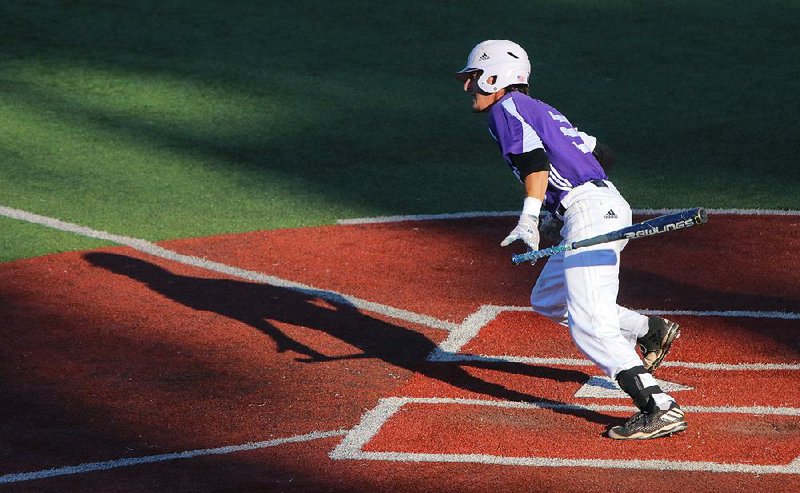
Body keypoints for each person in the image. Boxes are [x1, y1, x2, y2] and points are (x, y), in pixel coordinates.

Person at [456, 40, 687, 440]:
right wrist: (558, 205)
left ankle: (659, 406)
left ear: (494, 76)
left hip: (589, 213)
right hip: (597, 206)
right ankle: (647, 329)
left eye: (473, 78)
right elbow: (601, 153)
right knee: (549, 298)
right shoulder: (540, 109)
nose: (467, 88)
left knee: (590, 324)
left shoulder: (505, 110)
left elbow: (535, 162)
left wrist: (531, 216)